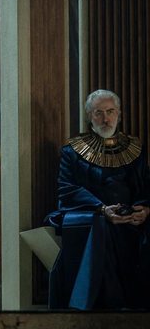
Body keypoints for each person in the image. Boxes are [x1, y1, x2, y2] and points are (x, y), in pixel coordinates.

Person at [47, 90, 150, 310]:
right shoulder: (71, 152)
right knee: (103, 229)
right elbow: (66, 189)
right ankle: (111, 307)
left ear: (119, 114)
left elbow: (146, 187)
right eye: (99, 113)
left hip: (131, 219)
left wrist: (145, 209)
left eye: (110, 112)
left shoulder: (136, 150)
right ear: (89, 116)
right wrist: (102, 209)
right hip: (91, 215)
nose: (106, 119)